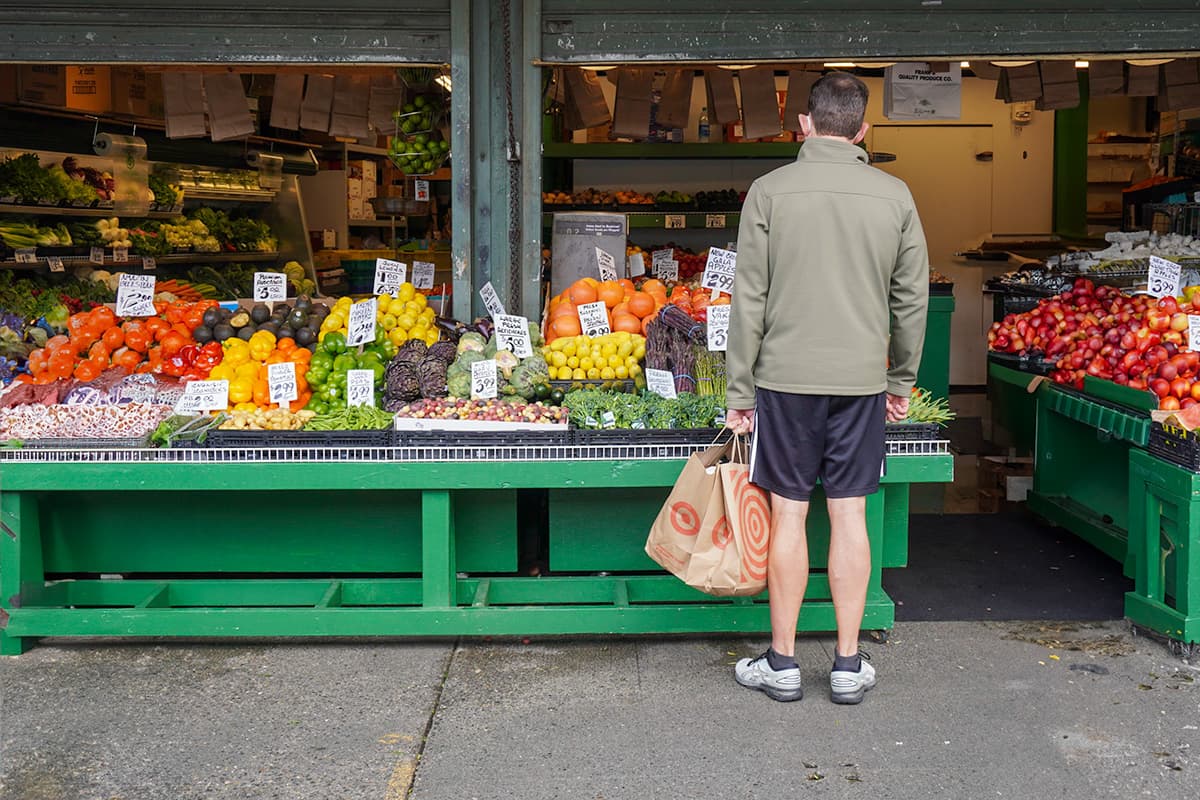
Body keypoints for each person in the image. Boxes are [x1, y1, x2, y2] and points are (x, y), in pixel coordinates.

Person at [724, 72, 929, 704]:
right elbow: (911, 299)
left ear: (804, 124)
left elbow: (748, 298)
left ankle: (782, 663)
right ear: (863, 130)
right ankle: (846, 664)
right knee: (851, 513)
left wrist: (739, 390)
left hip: (784, 381)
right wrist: (900, 380)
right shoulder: (895, 195)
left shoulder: (769, 192)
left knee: (788, 512)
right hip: (861, 383)